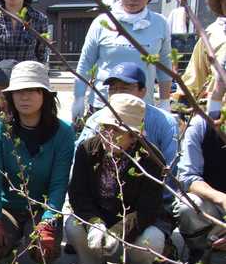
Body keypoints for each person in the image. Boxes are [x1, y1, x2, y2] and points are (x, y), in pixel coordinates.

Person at [0, 61, 74, 264]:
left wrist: (47, 221)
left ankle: (34, 242)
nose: (24, 97)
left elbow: (59, 184)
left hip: (40, 207)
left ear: (45, 95)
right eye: (19, 91)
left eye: (32, 90)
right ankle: (7, 247)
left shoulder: (64, 133)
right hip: (6, 207)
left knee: (46, 251)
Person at [65, 93, 169, 264]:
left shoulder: (151, 160)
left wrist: (117, 231)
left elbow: (149, 209)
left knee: (152, 239)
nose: (108, 134)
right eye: (106, 127)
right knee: (72, 226)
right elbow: (78, 194)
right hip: (98, 212)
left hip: (135, 217)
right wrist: (95, 223)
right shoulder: (87, 150)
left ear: (134, 135)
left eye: (117, 130)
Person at [71, 0, 172, 121]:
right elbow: (84, 64)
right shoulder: (102, 22)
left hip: (141, 106)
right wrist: (78, 98)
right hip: (103, 104)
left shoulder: (160, 24)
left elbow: (165, 65)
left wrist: (165, 101)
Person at [76, 62, 179, 205]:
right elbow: (80, 160)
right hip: (100, 202)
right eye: (113, 89)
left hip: (151, 198)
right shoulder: (96, 120)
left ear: (143, 91)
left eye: (125, 88)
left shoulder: (165, 122)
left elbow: (171, 168)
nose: (118, 93)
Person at [176, 97, 226, 264]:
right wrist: (220, 198)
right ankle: (200, 250)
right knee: (188, 205)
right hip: (213, 204)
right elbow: (188, 177)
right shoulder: (200, 125)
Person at [175, 0, 226, 112]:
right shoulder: (210, 35)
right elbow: (194, 77)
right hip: (216, 113)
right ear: (221, 1)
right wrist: (182, 108)